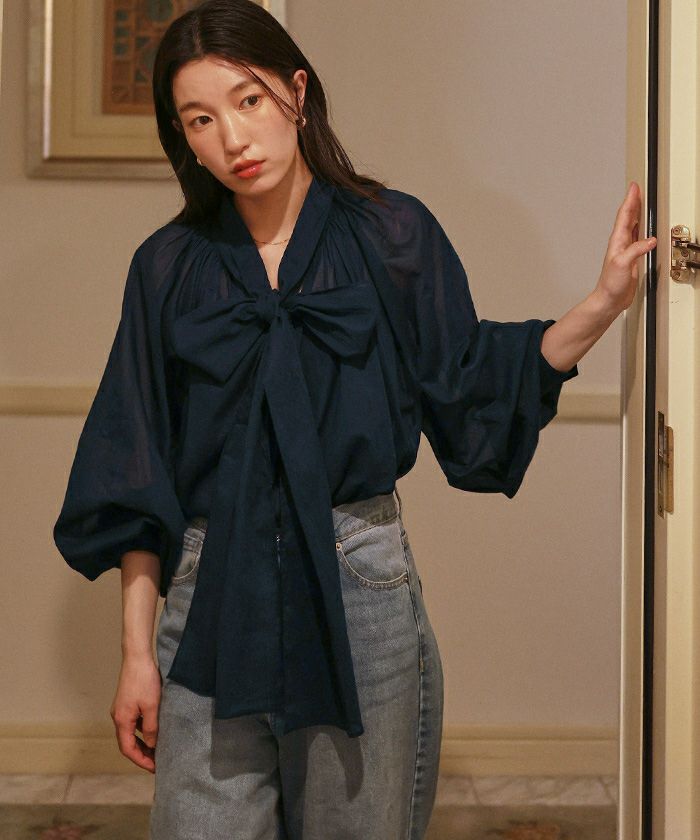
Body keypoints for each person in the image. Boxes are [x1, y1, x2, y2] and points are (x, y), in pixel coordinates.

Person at [52, 1, 656, 838]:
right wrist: (134, 656)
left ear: (297, 92)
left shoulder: (390, 232)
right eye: (200, 119)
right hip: (209, 584)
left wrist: (604, 302)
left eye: (249, 99)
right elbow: (135, 462)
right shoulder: (166, 267)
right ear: (183, 139)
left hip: (358, 580)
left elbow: (469, 381)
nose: (233, 137)